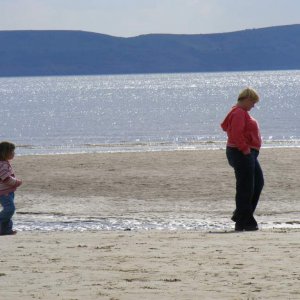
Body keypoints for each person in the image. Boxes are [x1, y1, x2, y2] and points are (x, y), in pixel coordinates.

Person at [221, 88, 264, 231]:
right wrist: (245, 150)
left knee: (257, 183)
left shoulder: (241, 112)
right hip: (241, 153)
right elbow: (236, 134)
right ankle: (244, 221)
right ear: (246, 99)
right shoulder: (239, 113)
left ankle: (242, 217)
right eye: (253, 102)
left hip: (247, 153)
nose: (253, 106)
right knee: (246, 187)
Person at [0, 141, 22, 236]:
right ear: (5, 153)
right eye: (12, 152)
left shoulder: (5, 163)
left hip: (8, 191)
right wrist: (16, 182)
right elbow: (6, 178)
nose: (14, 154)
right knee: (10, 209)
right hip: (4, 191)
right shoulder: (2, 164)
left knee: (9, 210)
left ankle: (5, 230)